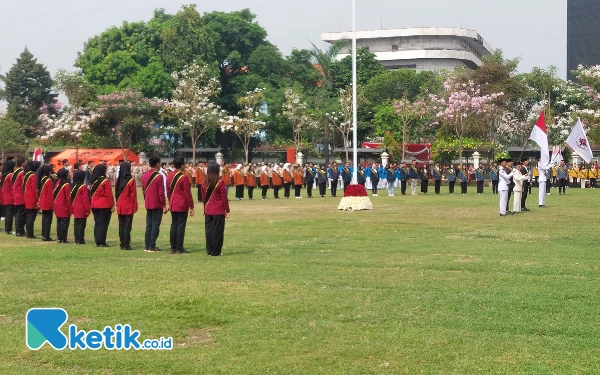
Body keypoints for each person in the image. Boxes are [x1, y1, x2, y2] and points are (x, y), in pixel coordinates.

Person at [201, 162, 230, 256]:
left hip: (208, 209)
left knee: (209, 231)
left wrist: (205, 208)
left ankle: (209, 250)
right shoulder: (220, 182)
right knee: (217, 231)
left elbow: (203, 198)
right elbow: (224, 198)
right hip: (218, 210)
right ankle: (216, 251)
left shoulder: (204, 182)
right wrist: (227, 210)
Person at [166, 157, 194, 254]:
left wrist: (170, 202)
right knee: (181, 226)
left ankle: (173, 247)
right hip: (182, 204)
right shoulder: (184, 177)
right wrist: (191, 206)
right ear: (182, 165)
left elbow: (168, 192)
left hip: (173, 203)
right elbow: (187, 193)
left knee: (174, 225)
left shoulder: (169, 176)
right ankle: (179, 248)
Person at [142, 156, 167, 252]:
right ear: (157, 164)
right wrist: (164, 205)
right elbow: (161, 192)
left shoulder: (144, 175)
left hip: (148, 202)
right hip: (157, 203)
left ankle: (147, 245)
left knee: (149, 224)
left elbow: (143, 190)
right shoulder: (159, 176)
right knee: (155, 225)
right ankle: (152, 245)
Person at [90, 164, 115, 247]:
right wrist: (112, 204)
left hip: (94, 204)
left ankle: (97, 240)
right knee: (103, 224)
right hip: (104, 205)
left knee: (97, 223)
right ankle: (102, 241)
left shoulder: (93, 181)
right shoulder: (105, 181)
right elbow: (109, 194)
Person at [115, 162, 138, 250]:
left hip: (120, 204)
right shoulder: (131, 181)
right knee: (127, 226)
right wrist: (135, 206)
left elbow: (116, 192)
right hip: (128, 205)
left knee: (121, 225)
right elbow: (133, 195)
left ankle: (122, 243)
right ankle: (126, 244)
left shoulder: (118, 180)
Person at [71, 170, 90, 245]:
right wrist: (87, 209)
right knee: (81, 225)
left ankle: (76, 239)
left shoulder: (72, 186)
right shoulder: (83, 186)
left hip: (75, 207)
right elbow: (85, 199)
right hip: (82, 208)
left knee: (76, 224)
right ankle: (81, 239)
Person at [24, 161, 42, 239]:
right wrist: (37, 199)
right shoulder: (33, 176)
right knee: (31, 217)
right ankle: (30, 234)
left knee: (29, 216)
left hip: (27, 197)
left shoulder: (26, 175)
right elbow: (34, 189)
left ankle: (29, 232)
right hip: (32, 198)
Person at [38, 164, 55, 241]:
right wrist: (52, 205)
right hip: (47, 202)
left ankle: (44, 234)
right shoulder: (48, 180)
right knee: (48, 220)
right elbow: (50, 193)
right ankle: (46, 235)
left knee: (44, 219)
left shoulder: (42, 179)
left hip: (42, 201)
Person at [54, 168, 72, 243]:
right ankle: (64, 239)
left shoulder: (57, 182)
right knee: (64, 222)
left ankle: (59, 238)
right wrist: (70, 208)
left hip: (57, 204)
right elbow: (68, 198)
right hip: (64, 205)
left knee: (59, 222)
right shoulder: (66, 184)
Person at [12, 157, 27, 237]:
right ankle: (20, 230)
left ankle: (18, 229)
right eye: (25, 162)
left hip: (16, 194)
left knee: (18, 213)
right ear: (22, 163)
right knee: (21, 214)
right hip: (21, 195)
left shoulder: (15, 172)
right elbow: (24, 183)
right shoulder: (22, 172)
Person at [2, 160, 16, 234]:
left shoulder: (5, 175)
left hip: (6, 196)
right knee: (9, 213)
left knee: (8, 213)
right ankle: (8, 229)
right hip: (10, 196)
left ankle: (7, 228)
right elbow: (13, 186)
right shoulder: (10, 175)